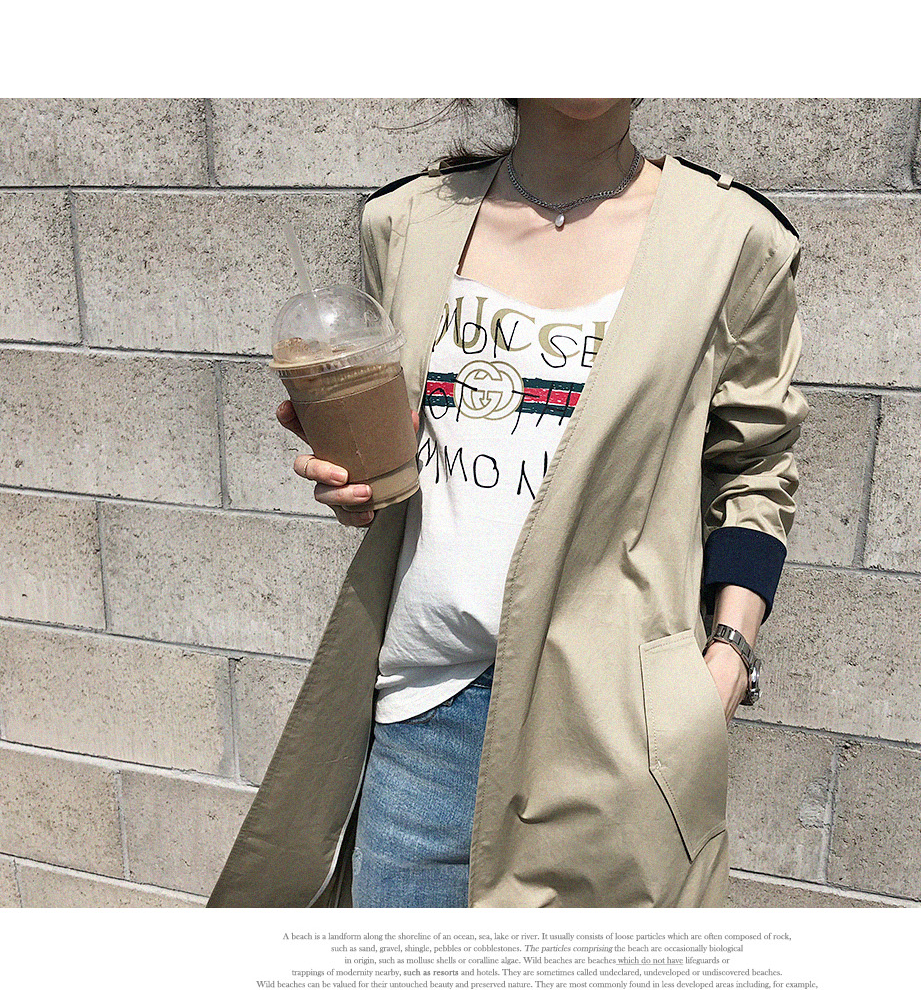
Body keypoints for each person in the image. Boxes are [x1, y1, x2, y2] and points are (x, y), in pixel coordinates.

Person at [208, 102, 804, 913]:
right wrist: (359, 486)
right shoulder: (408, 222)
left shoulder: (729, 240)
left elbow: (756, 463)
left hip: (613, 736)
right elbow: (401, 454)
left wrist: (728, 657)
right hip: (421, 721)